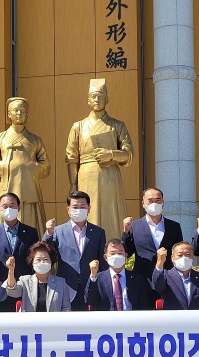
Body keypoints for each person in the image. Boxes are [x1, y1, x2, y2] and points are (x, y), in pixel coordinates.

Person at [65, 78, 133, 240]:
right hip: (86, 174)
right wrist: (73, 184)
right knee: (88, 210)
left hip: (110, 175)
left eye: (100, 97)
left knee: (111, 211)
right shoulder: (78, 126)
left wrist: (111, 154)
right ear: (88, 100)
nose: (97, 100)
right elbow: (71, 157)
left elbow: (129, 153)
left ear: (107, 99)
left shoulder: (117, 125)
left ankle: (113, 244)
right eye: (93, 97)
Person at [0, 97, 51, 235]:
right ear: (9, 114)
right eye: (16, 110)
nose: (19, 113)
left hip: (28, 190)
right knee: (4, 227)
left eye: (23, 111)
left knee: (30, 226)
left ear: (27, 114)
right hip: (7, 188)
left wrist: (30, 168)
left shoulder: (35, 140)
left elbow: (46, 165)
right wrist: (8, 166)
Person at [43, 191, 107, 311]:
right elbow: (46, 253)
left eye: (82, 206)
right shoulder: (58, 231)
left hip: (90, 287)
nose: (79, 210)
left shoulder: (98, 232)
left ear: (89, 208)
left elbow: (103, 263)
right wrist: (48, 234)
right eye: (75, 207)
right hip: (65, 287)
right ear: (68, 209)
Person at [122, 187, 184, 306]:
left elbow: (179, 252)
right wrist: (126, 232)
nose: (154, 203)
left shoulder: (174, 226)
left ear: (163, 202)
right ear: (143, 203)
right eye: (150, 200)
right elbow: (127, 252)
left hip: (168, 279)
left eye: (158, 200)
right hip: (142, 279)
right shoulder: (135, 226)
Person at [0, 192, 39, 311]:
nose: (8, 209)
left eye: (12, 206)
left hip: (23, 287)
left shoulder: (31, 232)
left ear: (19, 208)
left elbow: (35, 259)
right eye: (5, 206)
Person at [84, 239, 149, 311]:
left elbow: (144, 306)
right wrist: (93, 275)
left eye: (120, 253)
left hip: (131, 317)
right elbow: (89, 300)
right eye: (112, 254)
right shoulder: (99, 278)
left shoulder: (137, 279)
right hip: (108, 317)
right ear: (105, 257)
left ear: (126, 256)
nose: (116, 256)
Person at [5, 241, 70, 312]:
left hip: (54, 319)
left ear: (51, 262)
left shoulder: (61, 283)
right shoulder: (25, 280)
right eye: (38, 260)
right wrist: (11, 269)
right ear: (32, 262)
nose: (42, 262)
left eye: (45, 259)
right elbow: (12, 291)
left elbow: (66, 308)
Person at [152, 242, 199, 310]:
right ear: (172, 258)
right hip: (174, 316)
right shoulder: (166, 276)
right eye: (180, 255)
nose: (184, 258)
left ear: (193, 257)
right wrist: (160, 263)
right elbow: (157, 287)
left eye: (187, 255)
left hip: (197, 316)